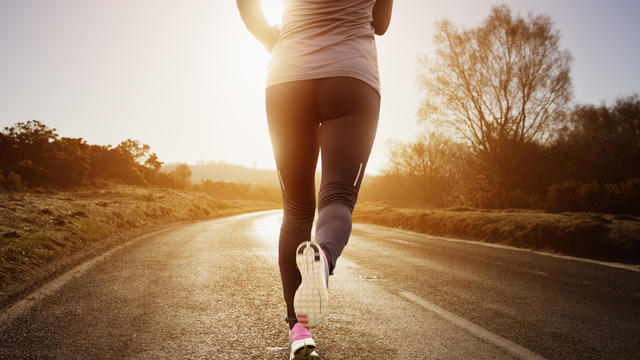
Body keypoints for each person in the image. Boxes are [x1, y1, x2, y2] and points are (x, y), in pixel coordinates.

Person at [236, 1, 392, 358]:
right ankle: (321, 259)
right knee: (336, 198)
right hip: (351, 77)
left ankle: (299, 331)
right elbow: (380, 23)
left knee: (296, 210)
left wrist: (268, 35)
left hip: (288, 77)